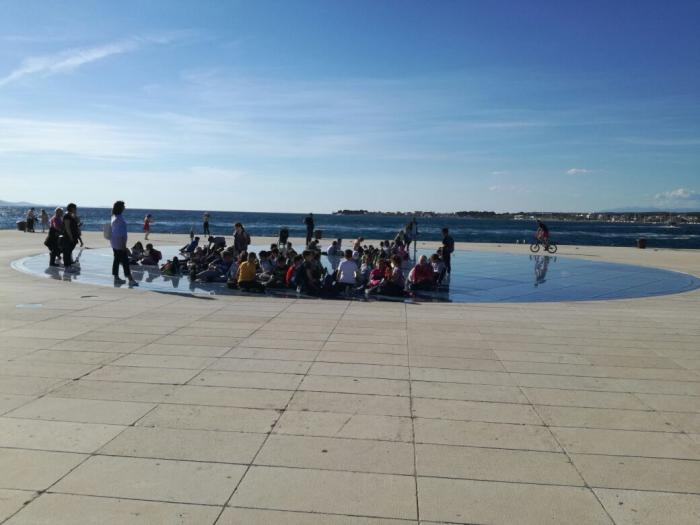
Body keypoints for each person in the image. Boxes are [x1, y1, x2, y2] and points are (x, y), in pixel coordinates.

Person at [110, 201, 137, 286]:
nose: (124, 207)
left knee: (117, 260)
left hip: (114, 242)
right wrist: (123, 245)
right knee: (125, 261)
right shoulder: (119, 219)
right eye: (123, 206)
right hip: (119, 243)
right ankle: (130, 279)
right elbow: (121, 234)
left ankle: (116, 278)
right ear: (120, 208)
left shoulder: (114, 217)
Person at [61, 203, 80, 271]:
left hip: (73, 237)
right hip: (68, 237)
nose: (76, 209)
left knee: (69, 251)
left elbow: (77, 222)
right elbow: (67, 227)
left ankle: (69, 265)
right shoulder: (67, 216)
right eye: (75, 208)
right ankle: (67, 266)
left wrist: (75, 215)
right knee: (67, 252)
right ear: (72, 208)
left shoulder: (72, 216)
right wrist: (70, 237)